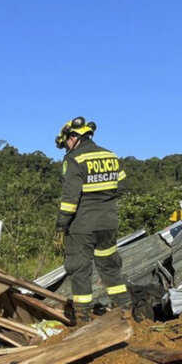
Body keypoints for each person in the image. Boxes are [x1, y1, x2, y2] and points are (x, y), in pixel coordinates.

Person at [53, 117, 131, 324]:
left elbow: (70, 199)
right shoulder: (110, 156)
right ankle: (125, 309)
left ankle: (83, 319)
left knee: (79, 268)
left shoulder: (74, 159)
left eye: (65, 144)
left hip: (82, 226)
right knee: (109, 267)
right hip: (108, 223)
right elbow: (122, 186)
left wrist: (61, 226)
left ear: (72, 138)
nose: (65, 148)